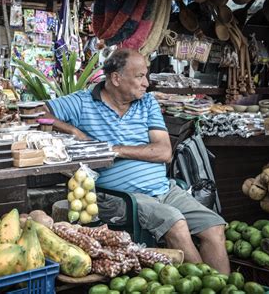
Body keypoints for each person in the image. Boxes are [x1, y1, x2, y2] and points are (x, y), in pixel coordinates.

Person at [44, 49, 230, 273]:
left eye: (146, 75)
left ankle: (221, 286)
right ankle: (201, 286)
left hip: (163, 189)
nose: (146, 83)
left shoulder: (147, 103)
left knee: (214, 227)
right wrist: (74, 131)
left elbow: (163, 152)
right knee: (177, 225)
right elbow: (37, 112)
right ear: (116, 78)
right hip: (119, 197)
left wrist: (115, 150)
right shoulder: (83, 102)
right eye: (140, 76)